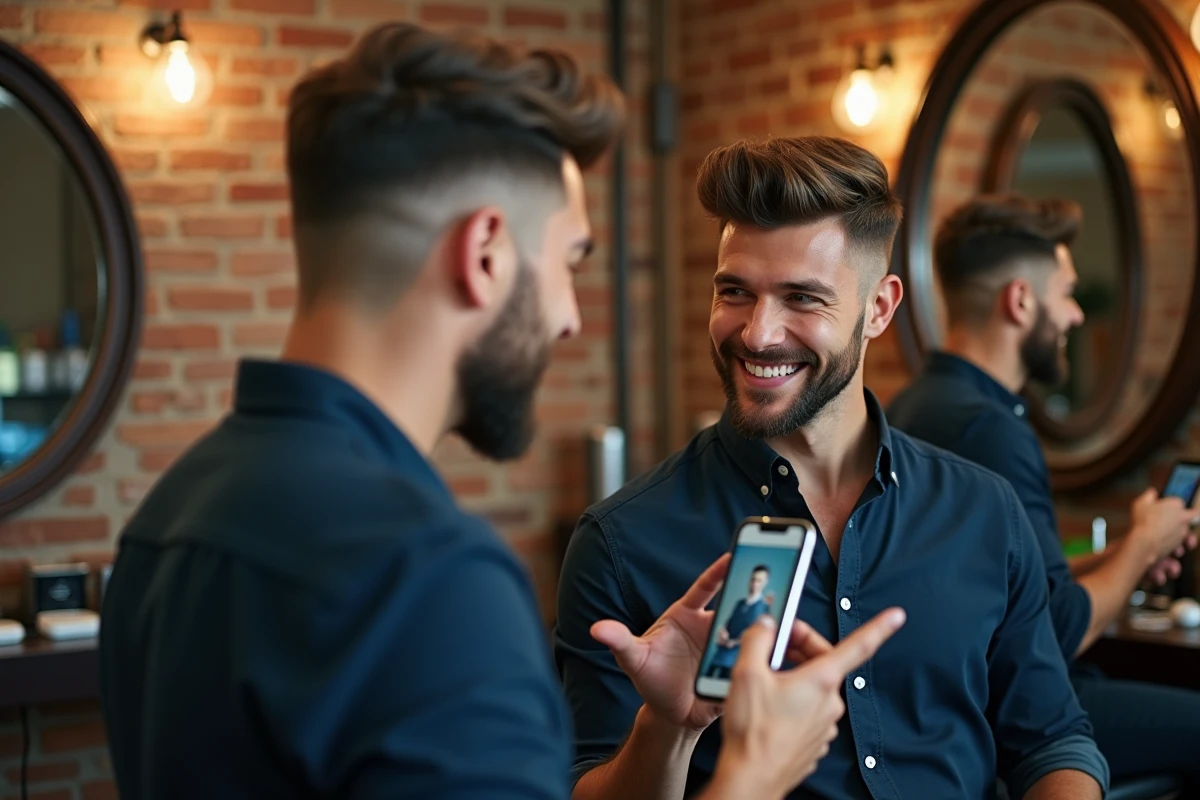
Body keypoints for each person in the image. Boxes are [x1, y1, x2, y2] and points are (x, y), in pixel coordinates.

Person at [97, 23, 905, 800]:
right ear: (484, 254)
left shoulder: (171, 513)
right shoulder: (431, 580)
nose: (568, 316)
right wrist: (756, 775)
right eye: (568, 260)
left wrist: (665, 729)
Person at [555, 137, 1110, 800]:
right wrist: (665, 728)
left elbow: (1051, 741)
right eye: (735, 291)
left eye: (803, 298)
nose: (758, 333)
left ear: (879, 308)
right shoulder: (621, 544)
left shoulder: (985, 511)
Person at [887, 193, 1200, 789]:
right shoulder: (991, 430)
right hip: (1006, 705)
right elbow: (1053, 630)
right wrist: (1137, 554)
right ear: (1021, 300)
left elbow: (1012, 583)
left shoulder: (918, 404)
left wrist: (1139, 543)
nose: (1077, 314)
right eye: (1067, 292)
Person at [706, 565, 772, 679]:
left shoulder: (764, 607)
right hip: (722, 651)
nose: (754, 584)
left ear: (765, 582)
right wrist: (722, 631)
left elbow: (757, 634)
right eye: (753, 579)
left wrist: (736, 642)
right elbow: (729, 622)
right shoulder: (740, 603)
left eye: (759, 580)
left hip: (739, 656)